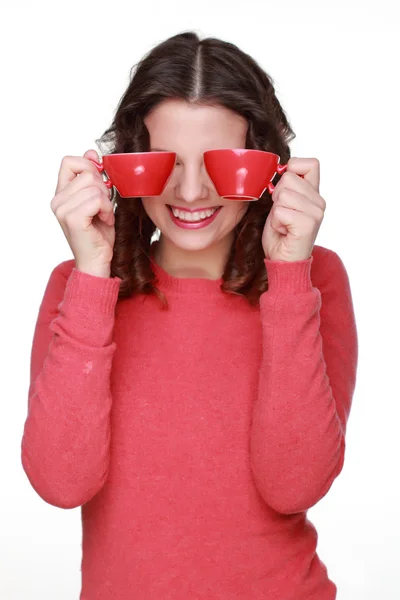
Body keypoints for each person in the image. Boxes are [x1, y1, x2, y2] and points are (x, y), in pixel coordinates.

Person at [20, 31, 358, 599]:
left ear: (269, 167)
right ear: (126, 164)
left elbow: (294, 485)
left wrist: (291, 276)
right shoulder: (80, 287)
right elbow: (60, 481)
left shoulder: (314, 279)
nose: (193, 191)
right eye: (165, 163)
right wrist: (93, 276)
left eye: (224, 165)